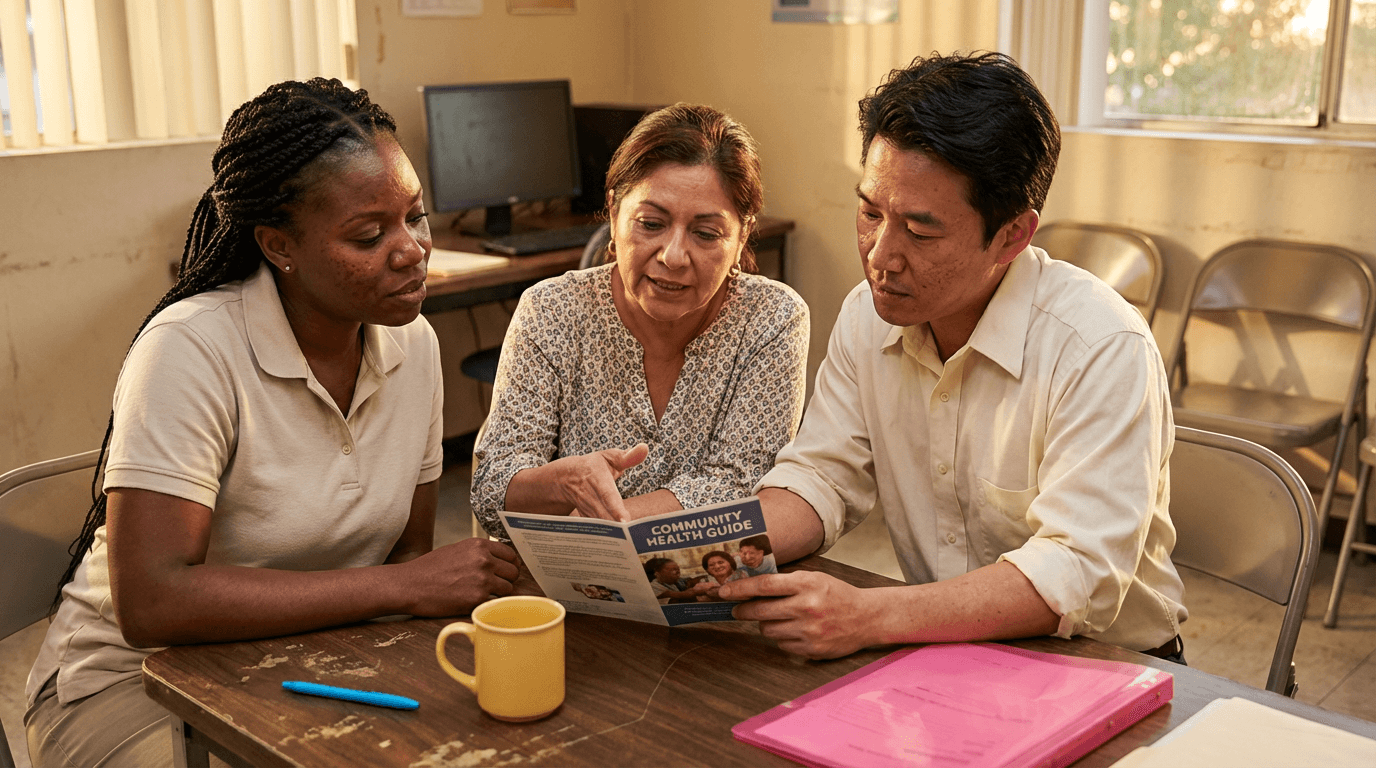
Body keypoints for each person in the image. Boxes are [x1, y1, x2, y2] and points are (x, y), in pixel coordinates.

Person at [24, 78, 520, 765]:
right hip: (137, 686)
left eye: (416, 216)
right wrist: (404, 587)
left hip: (307, 662)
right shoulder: (190, 349)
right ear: (279, 246)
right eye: (369, 234)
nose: (410, 250)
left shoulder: (415, 346)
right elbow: (153, 603)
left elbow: (405, 555)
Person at [718, 52, 1187, 663]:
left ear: (1013, 235)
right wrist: (704, 553)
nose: (881, 255)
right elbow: (822, 477)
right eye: (869, 213)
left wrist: (866, 614)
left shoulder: (1098, 347)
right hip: (944, 649)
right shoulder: (870, 314)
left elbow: (1075, 571)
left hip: (1104, 666)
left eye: (920, 230)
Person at [470, 104, 809, 537]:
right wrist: (564, 482)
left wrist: (606, 523)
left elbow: (742, 483)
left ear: (742, 234)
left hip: (701, 582)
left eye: (705, 234)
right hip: (563, 585)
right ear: (613, 214)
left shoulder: (772, 318)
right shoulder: (552, 309)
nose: (672, 256)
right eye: (651, 223)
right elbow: (492, 487)